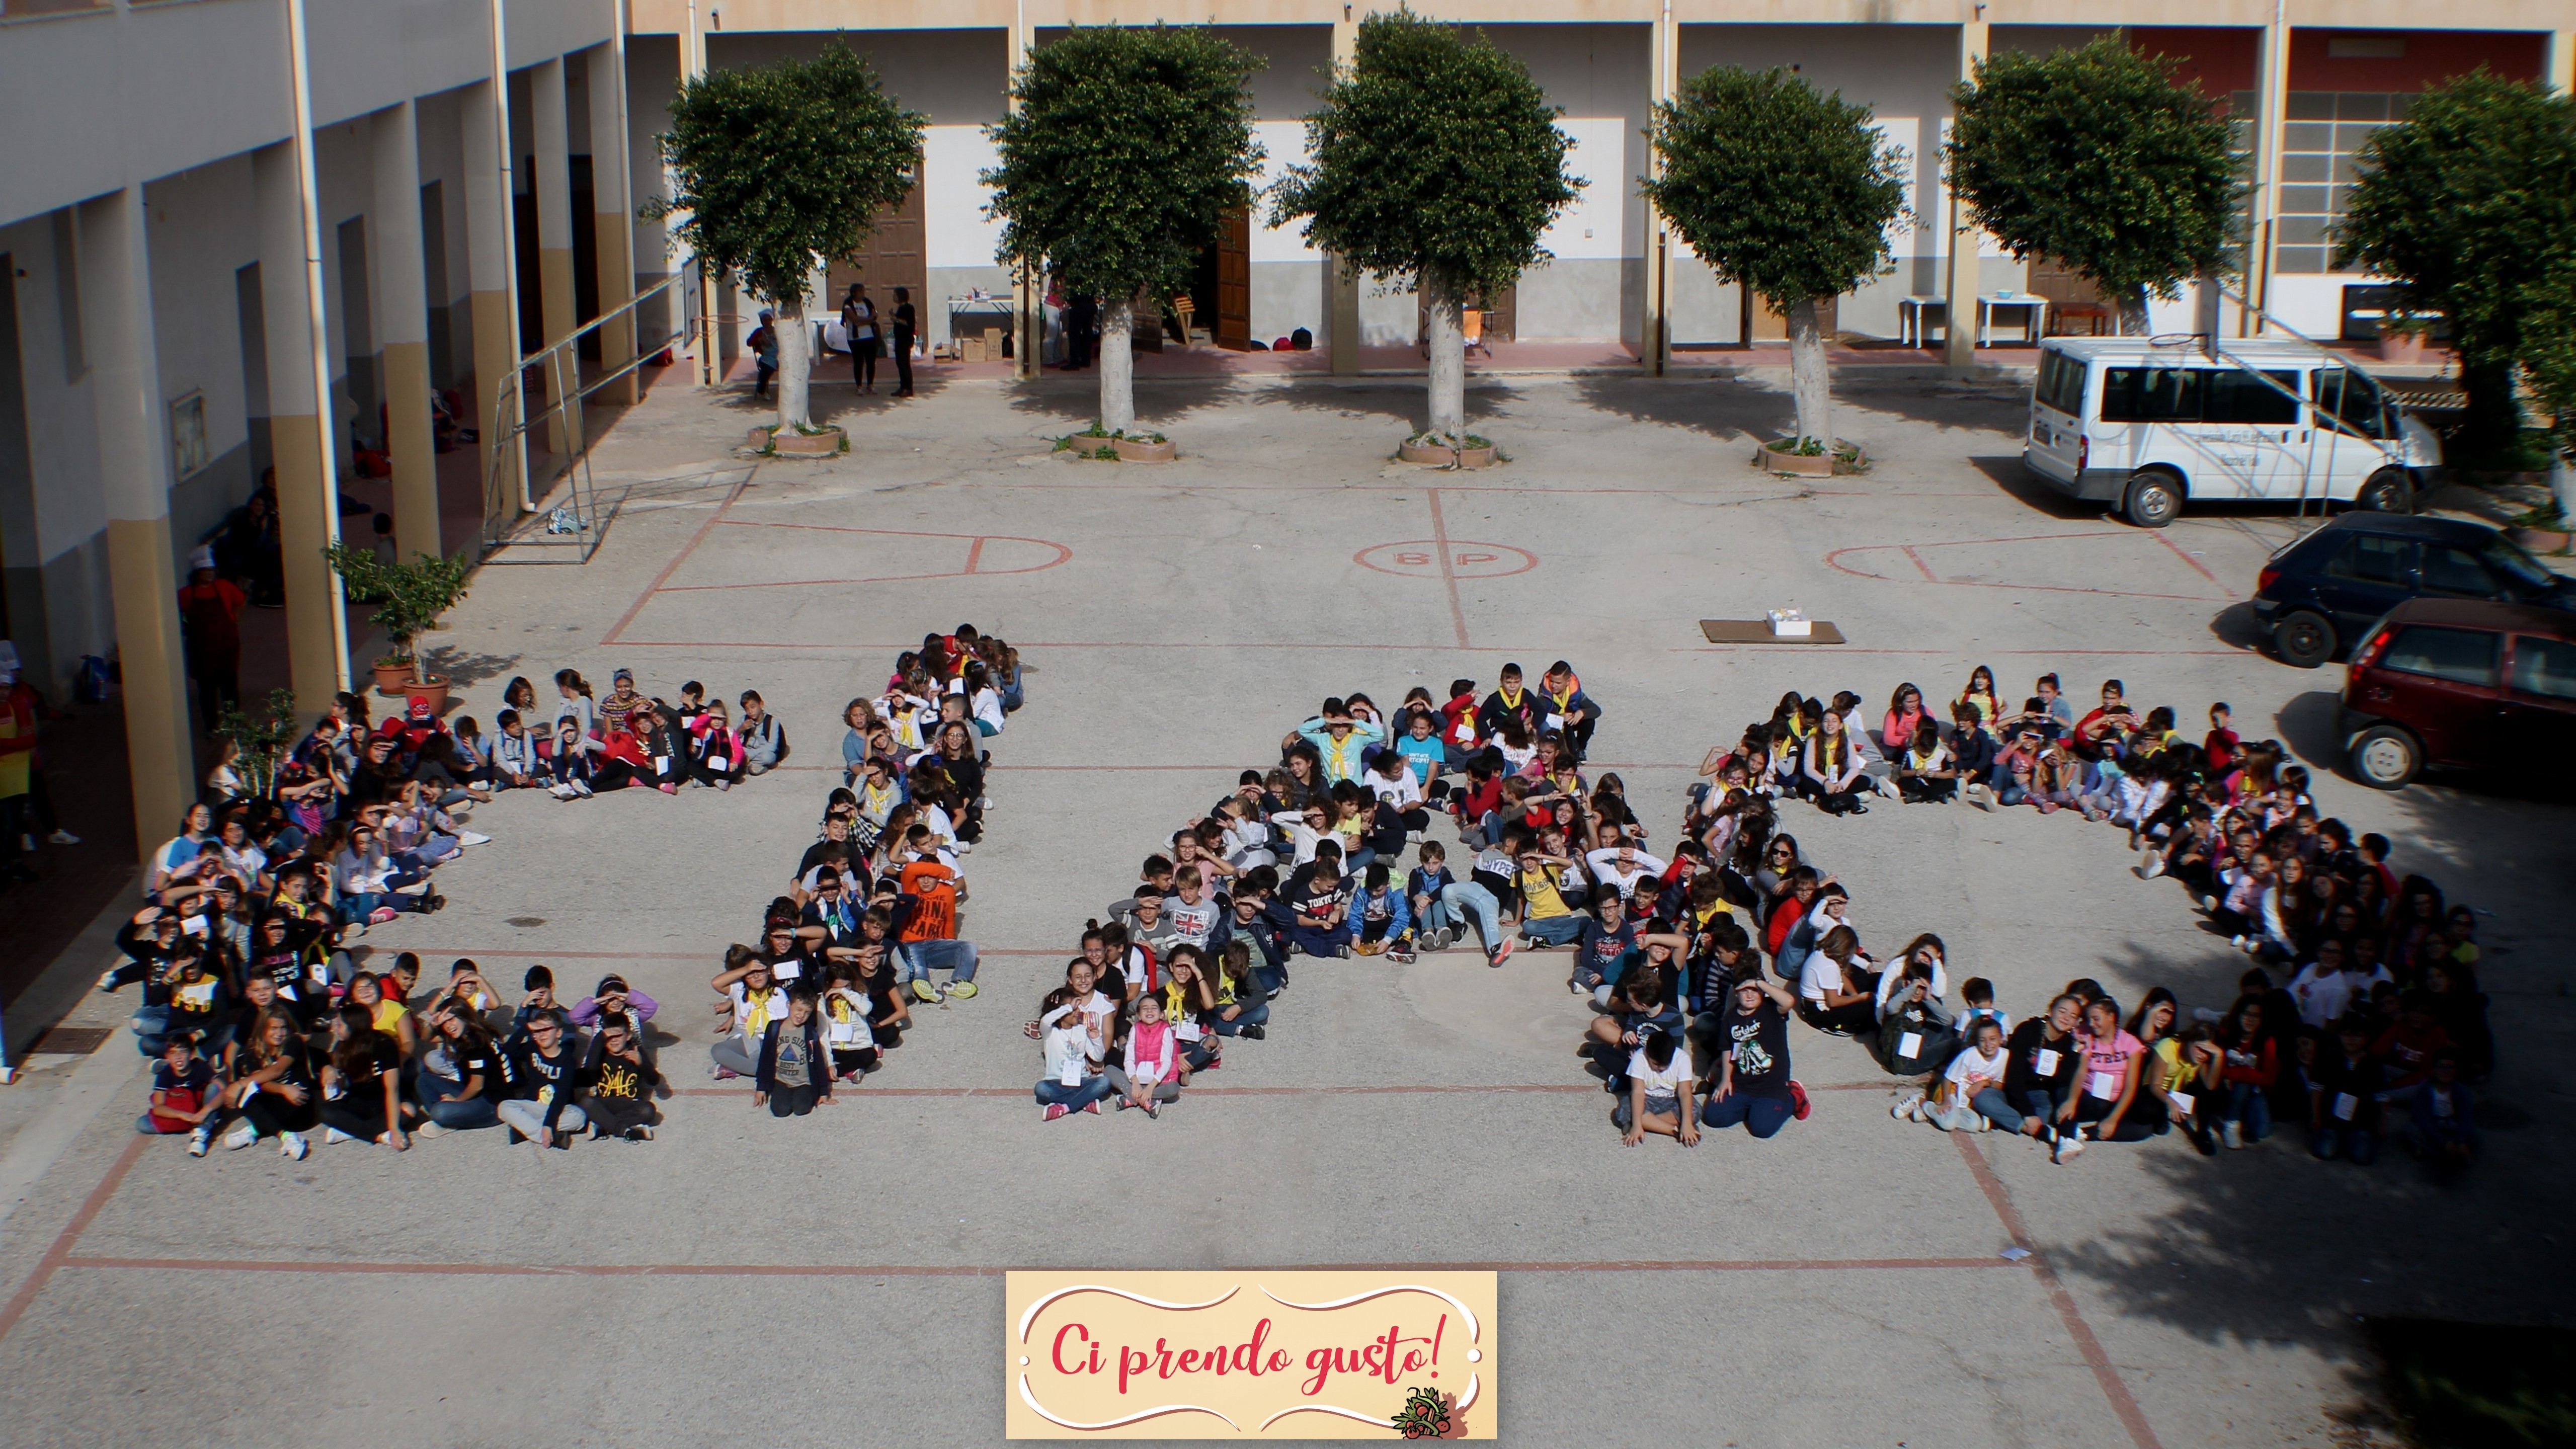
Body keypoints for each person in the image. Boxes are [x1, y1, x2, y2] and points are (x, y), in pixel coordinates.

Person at [1702, 974, 1803, 1139]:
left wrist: (1758, 982)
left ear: (1763, 992)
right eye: (1744, 991)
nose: (1750, 995)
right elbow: (1729, 1049)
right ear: (1736, 993)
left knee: (1762, 1130)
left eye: (1755, 991)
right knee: (1713, 1118)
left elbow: (1789, 1002)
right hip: (1742, 1084)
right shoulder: (1731, 1018)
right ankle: (1756, 1111)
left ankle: (1793, 1097)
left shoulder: (1772, 1009)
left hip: (1771, 1086)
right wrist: (1725, 1079)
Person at [177, 549, 246, 734]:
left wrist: (234, 619)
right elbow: (177, 614)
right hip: (202, 652)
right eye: (205, 570)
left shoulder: (224, 587)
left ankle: (233, 722)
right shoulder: (186, 594)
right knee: (207, 691)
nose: (209, 573)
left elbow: (240, 601)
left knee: (230, 687)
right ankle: (211, 726)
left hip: (227, 648)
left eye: (211, 570)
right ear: (197, 573)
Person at [755, 989, 833, 1117]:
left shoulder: (809, 1033)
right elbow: (765, 1058)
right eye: (799, 1009)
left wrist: (823, 1092)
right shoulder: (774, 1028)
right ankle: (782, 1093)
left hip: (804, 1083)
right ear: (788, 1005)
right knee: (780, 1111)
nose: (802, 1015)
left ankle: (804, 1095)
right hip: (781, 1080)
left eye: (807, 1013)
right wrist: (761, 1088)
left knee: (801, 1109)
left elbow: (818, 1062)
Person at [842, 283, 879, 394]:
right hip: (855, 338)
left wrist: (867, 320)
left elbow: (874, 317)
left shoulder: (867, 303)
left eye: (863, 291)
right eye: (860, 291)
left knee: (871, 362)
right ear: (854, 293)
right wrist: (868, 319)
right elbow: (855, 320)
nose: (863, 293)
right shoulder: (848, 305)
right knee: (859, 362)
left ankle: (870, 384)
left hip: (869, 336)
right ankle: (859, 386)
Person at [890, 286, 918, 397]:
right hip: (899, 338)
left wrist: (896, 319)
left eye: (895, 295)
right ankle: (902, 387)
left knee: (905, 363)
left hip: (905, 339)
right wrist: (893, 316)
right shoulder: (900, 308)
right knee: (900, 363)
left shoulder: (908, 308)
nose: (893, 297)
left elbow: (908, 323)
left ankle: (909, 388)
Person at [747, 309, 778, 399]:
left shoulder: (777, 331)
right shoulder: (759, 332)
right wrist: (759, 340)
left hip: (778, 356)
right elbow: (749, 343)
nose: (767, 322)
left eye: (769, 319)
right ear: (762, 321)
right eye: (765, 320)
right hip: (766, 357)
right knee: (767, 367)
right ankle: (762, 389)